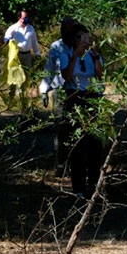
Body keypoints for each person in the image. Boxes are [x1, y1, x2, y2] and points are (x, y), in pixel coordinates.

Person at [60, 23, 104, 198]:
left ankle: (94, 186)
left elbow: (101, 74)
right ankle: (78, 187)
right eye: (79, 38)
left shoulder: (95, 55)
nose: (82, 41)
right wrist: (76, 57)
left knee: (95, 144)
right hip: (74, 97)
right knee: (78, 145)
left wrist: (93, 56)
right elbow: (67, 76)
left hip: (92, 97)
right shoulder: (67, 54)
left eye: (85, 37)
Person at [40, 17, 78, 176]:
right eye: (65, 29)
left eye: (70, 29)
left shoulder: (80, 47)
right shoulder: (56, 47)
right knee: (61, 128)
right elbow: (49, 69)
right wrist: (44, 89)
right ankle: (61, 163)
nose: (67, 32)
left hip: (77, 91)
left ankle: (75, 163)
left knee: (76, 128)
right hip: (60, 91)